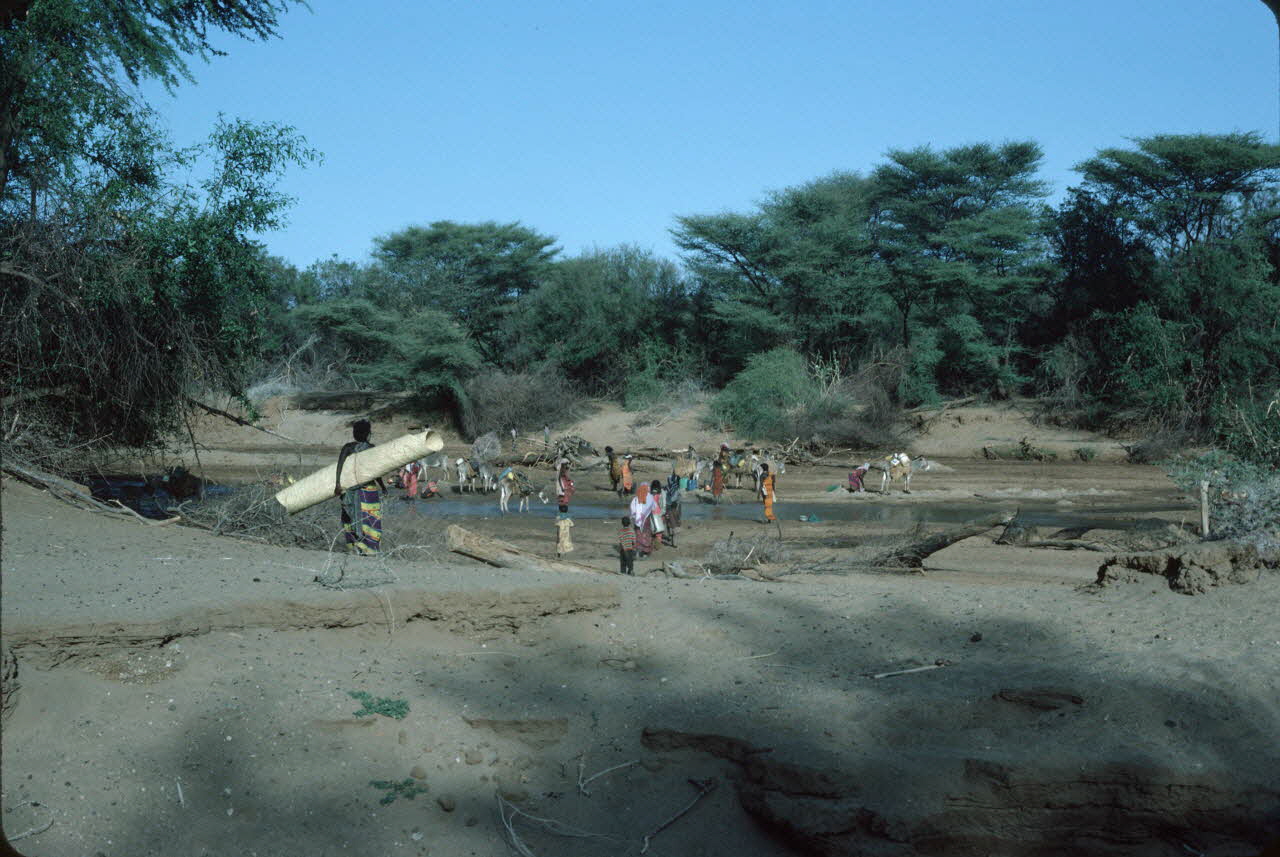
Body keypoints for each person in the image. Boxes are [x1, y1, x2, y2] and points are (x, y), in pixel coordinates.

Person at [334, 419, 386, 555]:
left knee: (350, 517)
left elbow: (339, 466)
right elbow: (376, 471)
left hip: (350, 488)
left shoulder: (348, 447)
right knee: (370, 518)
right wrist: (382, 486)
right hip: (368, 491)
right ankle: (369, 549)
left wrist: (338, 484)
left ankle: (354, 547)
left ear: (354, 433)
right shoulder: (371, 448)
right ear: (368, 433)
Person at [630, 482, 655, 556]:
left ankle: (638, 551)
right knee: (646, 535)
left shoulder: (636, 498)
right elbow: (654, 507)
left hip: (637, 521)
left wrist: (634, 516)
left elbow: (632, 510)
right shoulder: (650, 497)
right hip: (647, 520)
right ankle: (646, 551)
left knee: (638, 535)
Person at [664, 473, 681, 547]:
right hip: (674, 507)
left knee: (669, 523)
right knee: (674, 524)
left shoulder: (667, 488)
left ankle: (670, 535)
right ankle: (673, 540)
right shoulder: (676, 487)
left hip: (669, 507)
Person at [648, 479, 665, 553]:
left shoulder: (649, 492)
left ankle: (651, 544)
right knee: (658, 530)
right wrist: (662, 513)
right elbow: (663, 504)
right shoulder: (662, 492)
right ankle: (657, 546)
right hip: (658, 512)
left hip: (651, 512)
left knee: (651, 529)